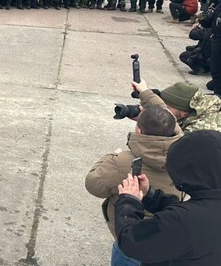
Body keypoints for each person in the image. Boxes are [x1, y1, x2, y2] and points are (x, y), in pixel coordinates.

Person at [85, 104, 183, 266]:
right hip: (168, 232)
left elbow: (93, 185)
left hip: (133, 236)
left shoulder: (123, 162)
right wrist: (155, 117)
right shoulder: (184, 151)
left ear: (138, 130)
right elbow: (171, 124)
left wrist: (111, 156)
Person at [114, 130, 221, 265]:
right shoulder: (202, 211)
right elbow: (195, 212)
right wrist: (150, 195)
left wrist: (129, 201)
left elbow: (131, 241)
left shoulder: (183, 221)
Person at [133, 79, 221, 133]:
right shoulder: (197, 107)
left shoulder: (200, 128)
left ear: (184, 113)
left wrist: (154, 124)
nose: (161, 110)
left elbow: (169, 148)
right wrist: (149, 117)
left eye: (167, 108)